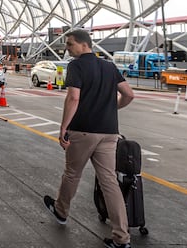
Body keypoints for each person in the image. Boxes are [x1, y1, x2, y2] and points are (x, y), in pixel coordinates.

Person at [43, 29, 135, 248]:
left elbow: (73, 98)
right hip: (109, 132)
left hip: (83, 131)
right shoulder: (109, 66)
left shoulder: (76, 66)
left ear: (84, 44)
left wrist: (63, 127)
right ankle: (122, 238)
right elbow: (129, 94)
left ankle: (61, 211)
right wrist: (112, 108)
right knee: (109, 181)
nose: (67, 49)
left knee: (72, 173)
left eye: (70, 44)